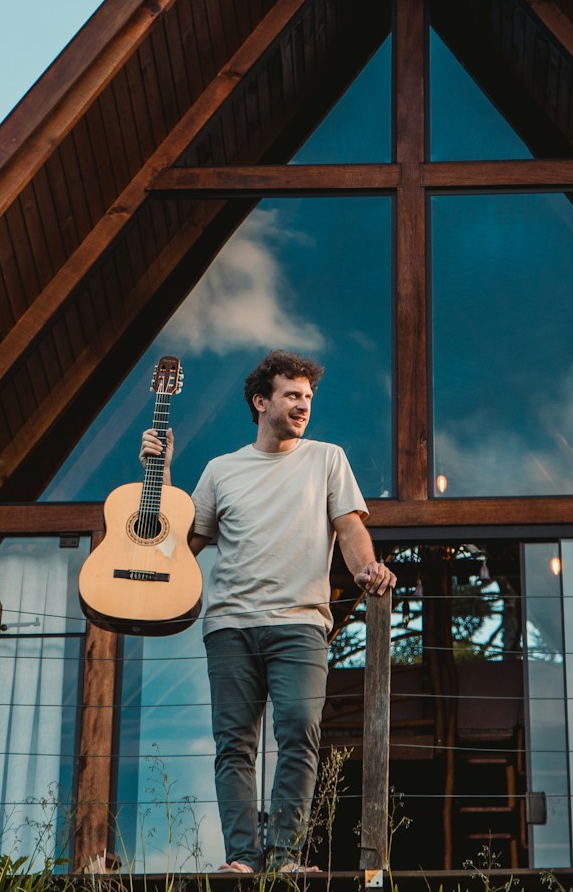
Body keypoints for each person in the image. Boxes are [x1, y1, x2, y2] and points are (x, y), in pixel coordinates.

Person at [142, 350, 395, 875]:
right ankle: (241, 858)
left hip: (300, 623)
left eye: (307, 397)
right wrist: (160, 473)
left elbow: (349, 528)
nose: (303, 405)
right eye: (292, 395)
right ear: (262, 401)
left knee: (300, 729)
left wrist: (369, 569)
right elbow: (181, 548)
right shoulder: (220, 470)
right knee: (233, 743)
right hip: (229, 625)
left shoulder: (327, 459)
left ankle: (284, 858)